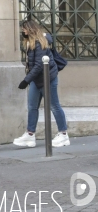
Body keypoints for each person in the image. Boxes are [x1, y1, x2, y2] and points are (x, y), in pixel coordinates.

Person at [13, 19, 69, 148]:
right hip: (37, 80)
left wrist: (26, 80)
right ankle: (30, 135)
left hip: (48, 78)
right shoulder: (31, 43)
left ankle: (63, 134)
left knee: (54, 106)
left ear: (31, 30)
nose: (23, 31)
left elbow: (39, 65)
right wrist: (30, 79)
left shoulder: (40, 43)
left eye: (25, 29)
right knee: (32, 106)